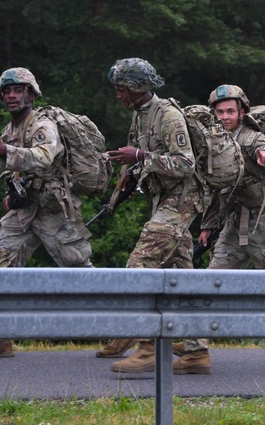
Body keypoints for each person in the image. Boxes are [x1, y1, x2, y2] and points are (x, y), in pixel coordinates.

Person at [176, 84, 265, 369]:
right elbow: (215, 188)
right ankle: (195, 346)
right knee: (209, 282)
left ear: (241, 112)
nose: (224, 116)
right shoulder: (216, 142)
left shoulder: (251, 137)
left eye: (230, 111)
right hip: (234, 225)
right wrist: (207, 226)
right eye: (219, 112)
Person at [0, 67, 94, 358]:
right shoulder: (10, 129)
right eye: (7, 91)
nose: (11, 96)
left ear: (31, 94)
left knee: (80, 272)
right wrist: (11, 194)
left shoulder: (43, 124)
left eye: (18, 90)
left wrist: (5, 151)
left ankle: (124, 330)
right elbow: (20, 171)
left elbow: (45, 158)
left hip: (51, 211)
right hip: (24, 213)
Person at [97, 58, 206, 374]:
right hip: (164, 201)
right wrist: (122, 189)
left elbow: (186, 164)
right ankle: (197, 354)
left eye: (120, 90)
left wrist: (143, 156)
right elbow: (135, 161)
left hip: (180, 202)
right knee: (182, 278)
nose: (118, 96)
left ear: (135, 88)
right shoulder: (140, 116)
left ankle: (146, 349)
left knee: (139, 266)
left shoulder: (168, 116)